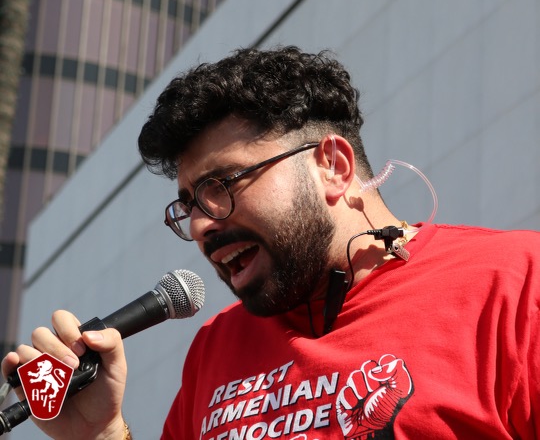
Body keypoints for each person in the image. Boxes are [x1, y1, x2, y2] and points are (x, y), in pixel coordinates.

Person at [2, 46, 539, 439]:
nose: (199, 226)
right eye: (188, 205)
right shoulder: (214, 348)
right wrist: (99, 434)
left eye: (221, 185)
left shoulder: (517, 283)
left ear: (332, 166)